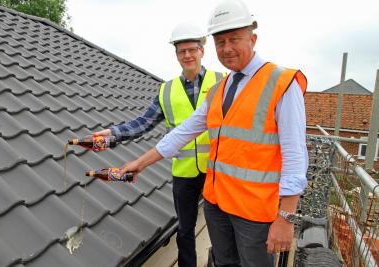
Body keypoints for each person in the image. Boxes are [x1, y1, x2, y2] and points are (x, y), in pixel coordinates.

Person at [118, 0, 309, 266]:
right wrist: (139, 164)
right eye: (220, 42)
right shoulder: (219, 89)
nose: (227, 48)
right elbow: (182, 133)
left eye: (234, 39)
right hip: (217, 205)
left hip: (254, 213)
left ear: (253, 39)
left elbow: (295, 157)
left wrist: (286, 218)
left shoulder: (282, 83)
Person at [94, 23, 225, 267]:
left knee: (220, 228)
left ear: (202, 51)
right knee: (185, 230)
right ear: (176, 55)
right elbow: (143, 123)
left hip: (217, 171)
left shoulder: (222, 81)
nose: (186, 55)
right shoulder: (166, 90)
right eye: (181, 51)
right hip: (184, 173)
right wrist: (113, 133)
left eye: (191, 50)